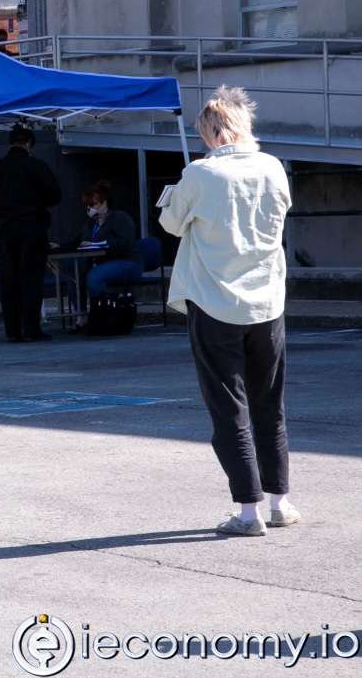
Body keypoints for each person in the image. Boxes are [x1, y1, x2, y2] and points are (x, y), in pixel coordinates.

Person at [160, 86, 296, 537]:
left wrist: (175, 189)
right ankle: (280, 502)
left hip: (215, 300)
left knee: (229, 407)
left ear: (212, 132)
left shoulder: (200, 174)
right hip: (266, 300)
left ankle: (247, 512)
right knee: (269, 405)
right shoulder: (273, 167)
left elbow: (171, 224)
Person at [0, 125, 62, 342]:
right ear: (29, 143)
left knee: (9, 280)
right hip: (32, 228)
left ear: (10, 143)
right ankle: (31, 329)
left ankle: (12, 331)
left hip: (5, 230)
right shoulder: (36, 166)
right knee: (31, 279)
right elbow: (55, 195)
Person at [69, 180, 144, 329]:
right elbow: (78, 240)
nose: (91, 208)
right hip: (103, 262)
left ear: (105, 203)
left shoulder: (120, 218)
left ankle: (102, 314)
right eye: (88, 206)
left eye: (94, 204)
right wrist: (60, 245)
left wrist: (103, 243)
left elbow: (126, 243)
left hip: (126, 262)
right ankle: (82, 315)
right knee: (75, 276)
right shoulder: (91, 223)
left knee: (95, 276)